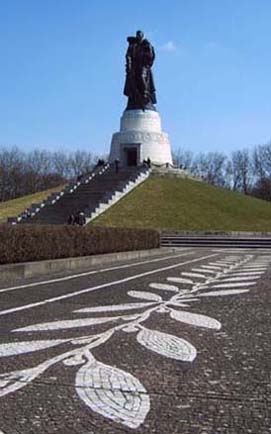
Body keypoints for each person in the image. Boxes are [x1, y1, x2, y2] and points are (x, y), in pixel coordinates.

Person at [124, 30, 156, 110]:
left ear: (142, 36)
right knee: (132, 81)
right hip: (134, 67)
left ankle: (145, 94)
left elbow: (151, 55)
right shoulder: (133, 45)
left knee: (142, 76)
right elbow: (128, 55)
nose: (139, 36)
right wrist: (129, 64)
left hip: (143, 66)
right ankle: (133, 98)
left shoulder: (146, 44)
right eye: (138, 35)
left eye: (140, 35)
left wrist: (144, 59)